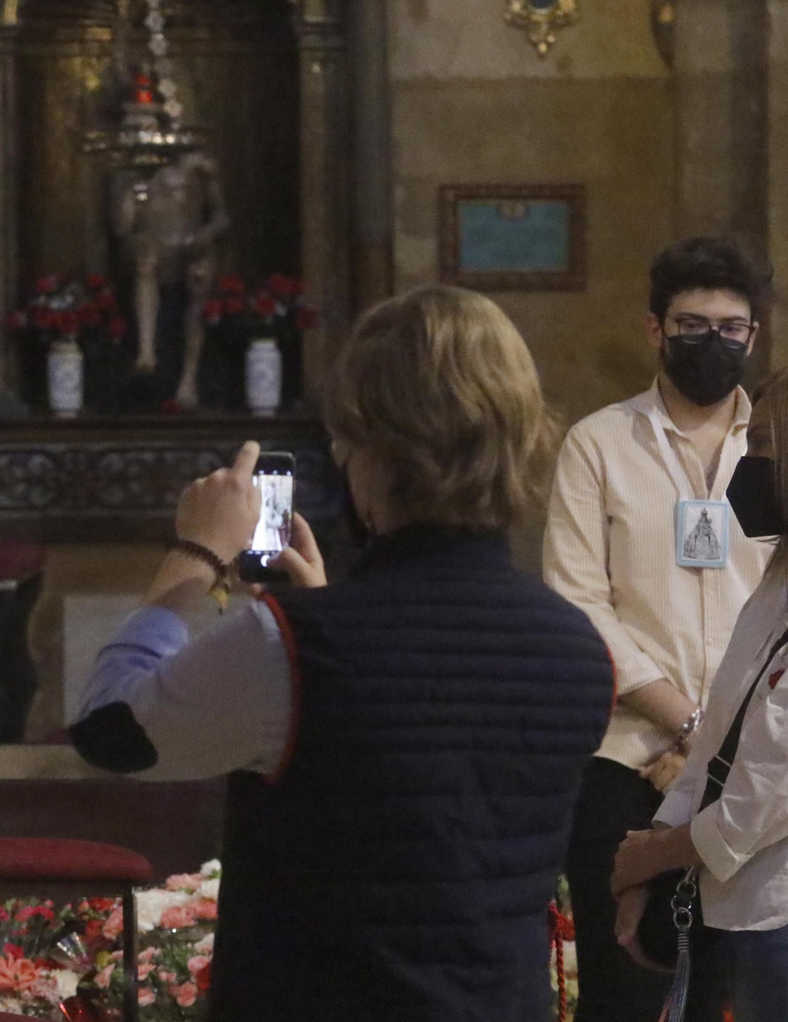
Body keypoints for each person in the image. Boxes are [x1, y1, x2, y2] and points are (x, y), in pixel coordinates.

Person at [70, 285, 615, 1021]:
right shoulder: (579, 650)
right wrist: (327, 612)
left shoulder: (301, 646)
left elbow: (113, 731)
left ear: (369, 449)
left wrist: (194, 555)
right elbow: (448, 811)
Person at [542, 237, 772, 1022]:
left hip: (762, 771)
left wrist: (718, 745)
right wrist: (686, 724)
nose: (714, 341)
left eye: (732, 327)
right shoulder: (598, 444)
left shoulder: (775, 451)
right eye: (692, 324)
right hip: (628, 761)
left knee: (741, 989)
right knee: (630, 992)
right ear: (654, 330)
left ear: (756, 335)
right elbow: (577, 604)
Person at [608, 372, 788, 1022]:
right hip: (737, 908)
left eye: (765, 444)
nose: (749, 465)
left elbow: (759, 801)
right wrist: (649, 862)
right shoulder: (775, 580)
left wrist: (654, 853)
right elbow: (719, 735)